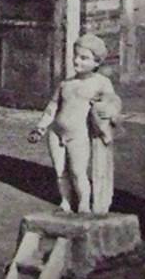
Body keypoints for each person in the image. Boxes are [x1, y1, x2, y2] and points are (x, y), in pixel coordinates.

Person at [27, 33, 122, 215]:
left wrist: (110, 111)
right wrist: (40, 127)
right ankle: (65, 202)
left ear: (97, 62)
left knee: (78, 172)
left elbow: (114, 101)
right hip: (56, 132)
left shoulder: (101, 82)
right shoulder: (66, 84)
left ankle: (84, 204)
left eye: (84, 58)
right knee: (60, 172)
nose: (77, 61)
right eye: (75, 56)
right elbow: (53, 106)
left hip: (79, 135)